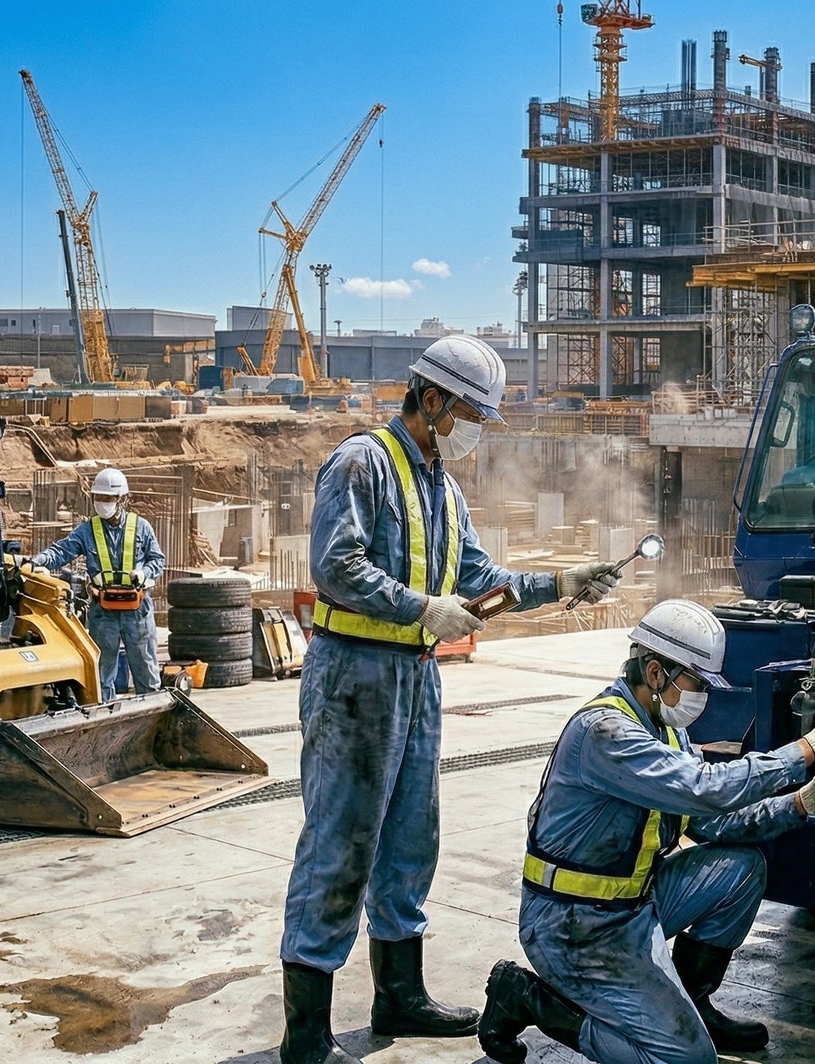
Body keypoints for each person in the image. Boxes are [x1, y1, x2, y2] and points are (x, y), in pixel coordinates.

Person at [279, 335, 624, 1064]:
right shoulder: (362, 462)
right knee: (341, 843)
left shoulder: (443, 486)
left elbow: (479, 579)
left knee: (411, 838)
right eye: (470, 415)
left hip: (414, 676)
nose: (474, 432)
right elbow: (336, 567)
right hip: (355, 677)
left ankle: (399, 995)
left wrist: (559, 583)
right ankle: (305, 1037)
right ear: (431, 399)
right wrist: (421, 608)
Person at [478, 599, 815, 1064]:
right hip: (573, 926)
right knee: (687, 1060)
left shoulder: (666, 731)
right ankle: (529, 999)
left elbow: (712, 822)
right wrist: (807, 749)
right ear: (656, 672)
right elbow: (706, 789)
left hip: (632, 903)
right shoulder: (606, 733)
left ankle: (694, 1004)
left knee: (741, 868)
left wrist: (802, 803)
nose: (702, 695)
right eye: (696, 683)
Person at [30, 467, 165, 702]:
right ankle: (105, 714)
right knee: (101, 676)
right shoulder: (88, 530)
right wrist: (38, 561)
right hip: (104, 612)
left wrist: (143, 573)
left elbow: (157, 560)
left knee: (146, 672)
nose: (102, 503)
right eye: (98, 497)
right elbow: (62, 551)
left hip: (137, 612)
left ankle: (151, 713)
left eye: (108, 498)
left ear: (122, 499)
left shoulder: (141, 527)